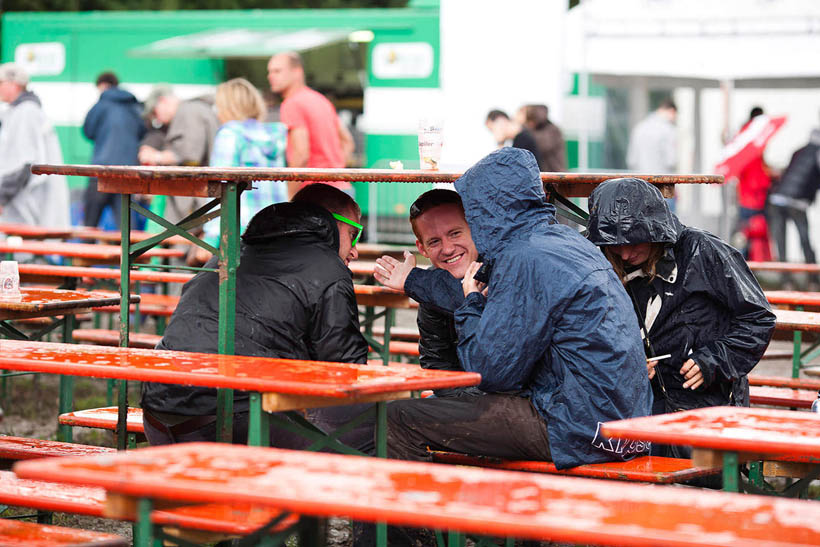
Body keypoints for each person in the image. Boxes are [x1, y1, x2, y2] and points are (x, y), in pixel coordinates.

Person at [375, 148, 652, 471]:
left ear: (484, 210)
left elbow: (492, 372)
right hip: (623, 424)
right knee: (452, 409)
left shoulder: (523, 258)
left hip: (577, 427)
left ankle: (416, 520)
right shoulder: (564, 241)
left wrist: (472, 303)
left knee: (396, 417)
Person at [140, 183, 372, 453]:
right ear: (330, 222)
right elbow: (347, 372)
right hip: (225, 424)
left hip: (157, 416)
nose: (355, 250)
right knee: (376, 425)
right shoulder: (328, 269)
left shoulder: (227, 253)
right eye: (353, 235)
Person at [586, 177, 776, 457]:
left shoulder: (703, 250)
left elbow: (759, 318)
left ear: (656, 230)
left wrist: (714, 360)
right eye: (615, 245)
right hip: (639, 403)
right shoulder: (597, 260)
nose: (626, 254)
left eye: (635, 242)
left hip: (706, 402)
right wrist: (626, 364)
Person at [193, 77, 288, 265]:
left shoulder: (230, 135)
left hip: (240, 231)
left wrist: (211, 238)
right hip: (276, 228)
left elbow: (220, 189)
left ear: (227, 106)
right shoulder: (274, 136)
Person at [408, 189, 482, 397]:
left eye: (455, 233)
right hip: (463, 399)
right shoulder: (429, 284)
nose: (448, 249)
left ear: (474, 228)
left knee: (399, 416)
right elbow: (436, 363)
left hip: (518, 402)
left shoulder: (505, 269)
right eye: (434, 241)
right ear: (421, 249)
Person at [267, 51, 354, 197]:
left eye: (277, 71)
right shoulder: (321, 100)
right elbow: (348, 141)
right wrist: (334, 171)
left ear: (297, 72)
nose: (270, 76)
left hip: (315, 195)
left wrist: (289, 198)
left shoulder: (292, 104)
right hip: (342, 191)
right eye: (269, 72)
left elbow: (301, 155)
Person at [138, 85, 219, 227]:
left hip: (199, 200)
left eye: (155, 113)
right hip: (203, 197)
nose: (158, 120)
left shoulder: (189, 112)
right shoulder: (193, 109)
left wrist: (156, 156)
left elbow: (191, 156)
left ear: (162, 101)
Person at [0, 63, 70, 228]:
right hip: (24, 202)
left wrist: (2, 197)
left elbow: (24, 165)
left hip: (28, 204)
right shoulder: (17, 111)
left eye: (1, 82)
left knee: (25, 248)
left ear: (14, 84)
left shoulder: (26, 112)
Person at [81, 71, 146, 228]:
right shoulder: (134, 107)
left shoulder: (101, 105)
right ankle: (131, 254)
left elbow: (88, 131)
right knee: (128, 231)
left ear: (102, 86)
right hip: (127, 174)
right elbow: (143, 132)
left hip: (101, 173)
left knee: (89, 227)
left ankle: (84, 252)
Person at [767, 123, 820, 289]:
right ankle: (813, 280)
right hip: (797, 202)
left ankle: (786, 282)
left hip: (777, 199)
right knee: (804, 239)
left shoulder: (798, 150)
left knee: (780, 243)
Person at [626, 98, 678, 174]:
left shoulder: (640, 127)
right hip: (661, 179)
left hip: (640, 177)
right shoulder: (669, 130)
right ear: (672, 111)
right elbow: (671, 161)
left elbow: (632, 160)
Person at [518, 104, 567, 172]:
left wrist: (522, 131)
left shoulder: (551, 129)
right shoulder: (531, 129)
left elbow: (543, 146)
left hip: (553, 172)